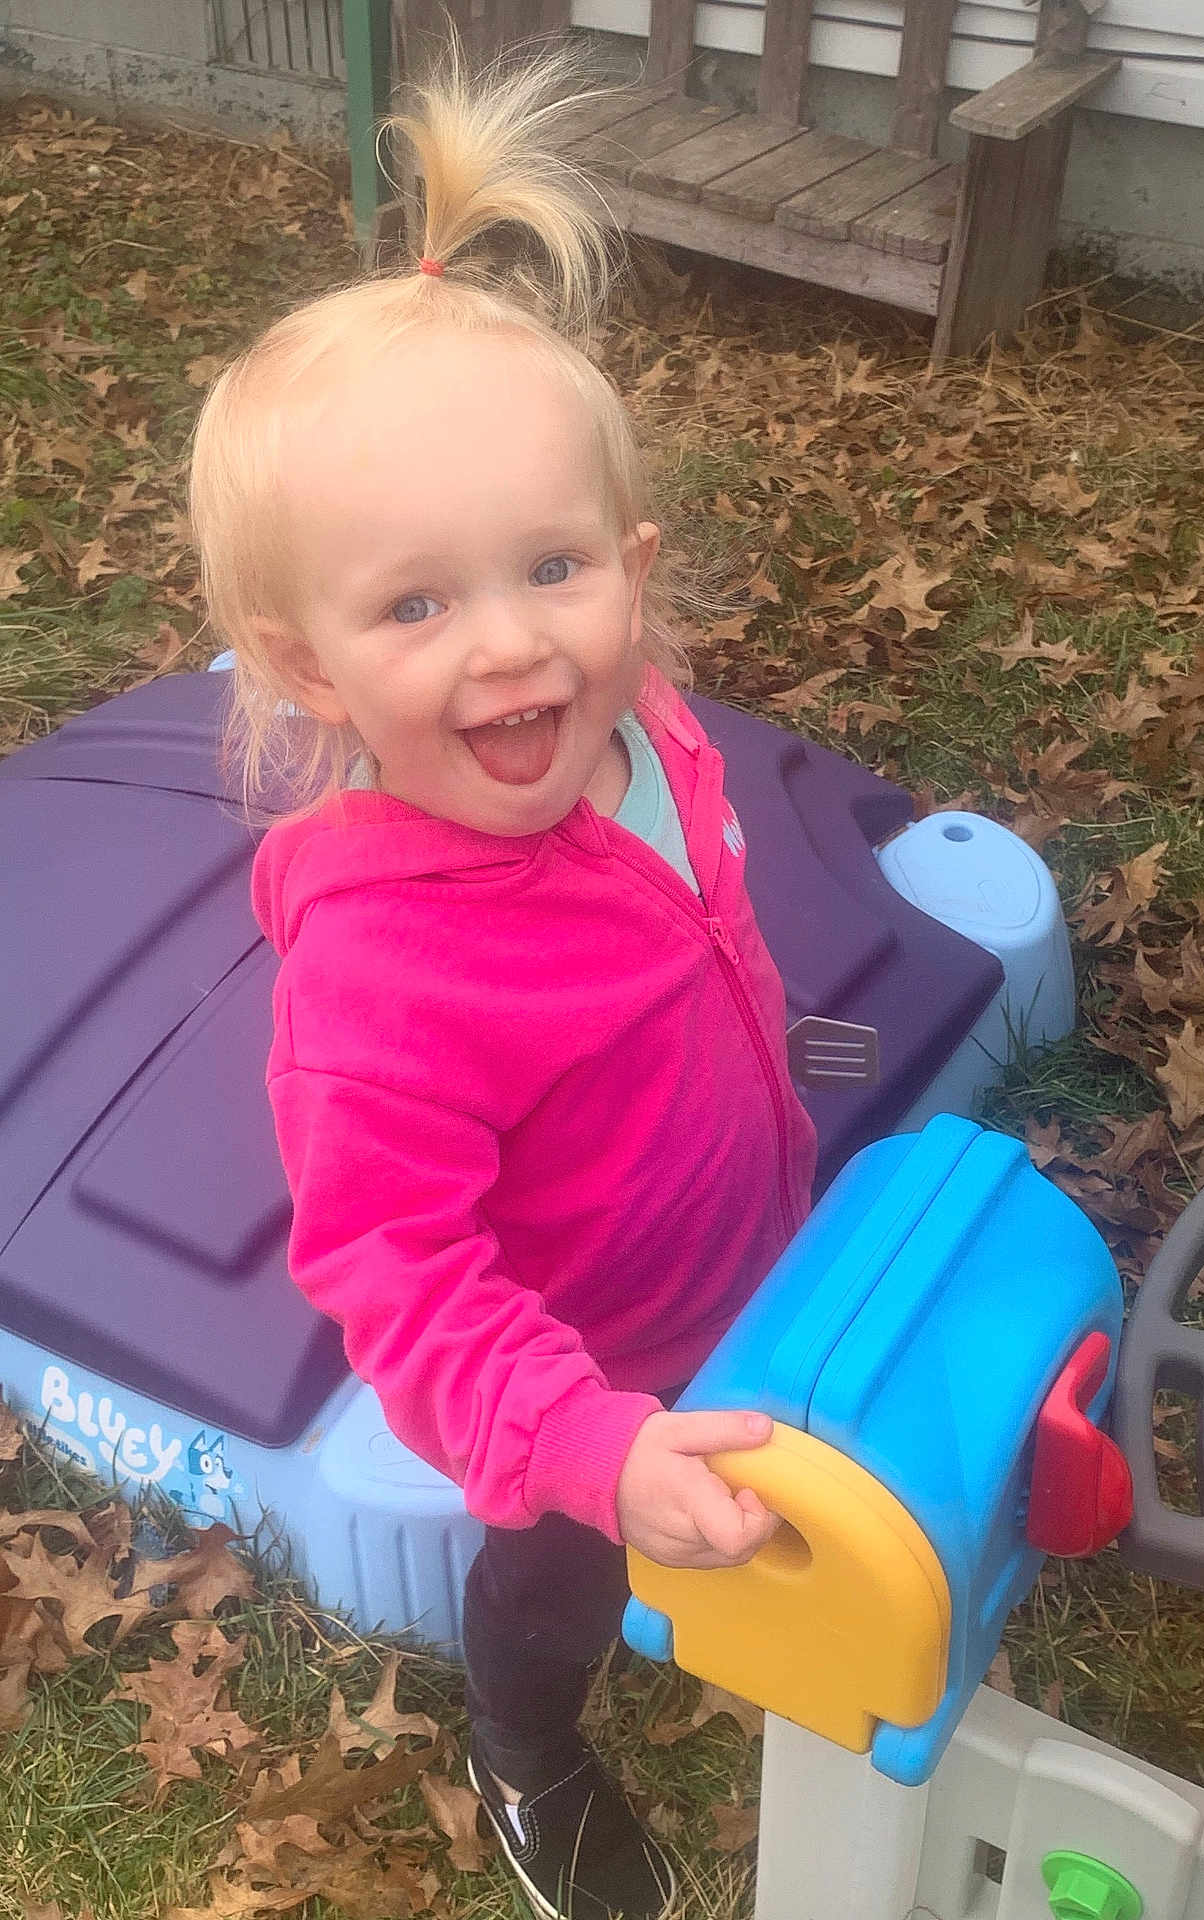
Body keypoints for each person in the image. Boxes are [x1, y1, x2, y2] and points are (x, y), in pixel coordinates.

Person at [188, 48, 816, 1920]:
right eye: (417, 606)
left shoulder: (651, 726)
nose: (514, 646)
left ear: (633, 569)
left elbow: (712, 922)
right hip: (577, 1387)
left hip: (748, 1250)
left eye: (553, 569)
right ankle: (529, 1752)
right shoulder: (382, 975)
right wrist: (589, 1449)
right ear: (307, 666)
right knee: (555, 1598)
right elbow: (402, 1280)